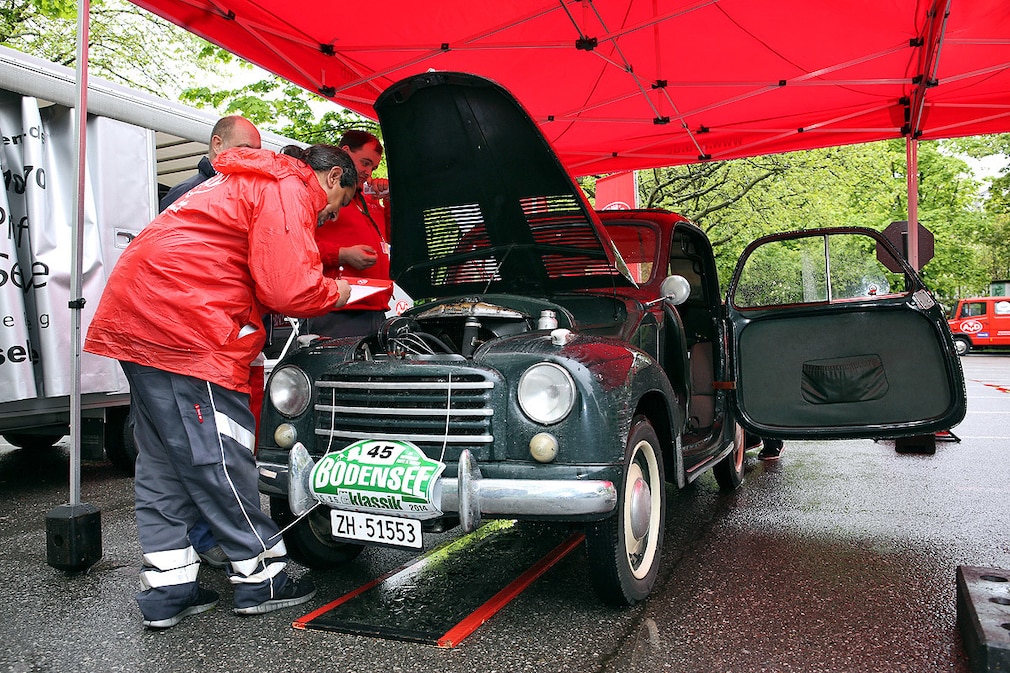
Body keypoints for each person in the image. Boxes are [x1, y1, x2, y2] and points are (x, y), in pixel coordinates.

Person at [84, 144, 357, 629]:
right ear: (332, 176)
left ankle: (169, 587)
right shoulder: (287, 187)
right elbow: (288, 289)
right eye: (334, 205)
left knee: (163, 462)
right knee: (221, 455)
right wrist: (343, 291)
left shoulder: (239, 182)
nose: (328, 215)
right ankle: (261, 575)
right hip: (190, 326)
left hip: (142, 315)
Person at [157, 115, 263, 570]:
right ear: (217, 145)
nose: (249, 161)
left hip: (212, 336)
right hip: (197, 340)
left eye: (256, 154)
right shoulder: (188, 196)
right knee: (211, 449)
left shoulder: (231, 192)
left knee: (179, 457)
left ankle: (177, 572)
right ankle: (233, 551)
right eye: (243, 150)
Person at [307, 129, 393, 338]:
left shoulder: (368, 198)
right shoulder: (322, 193)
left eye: (372, 167)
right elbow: (300, 246)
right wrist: (342, 254)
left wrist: (390, 200)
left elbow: (389, 239)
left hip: (376, 307)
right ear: (345, 152)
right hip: (338, 310)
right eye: (365, 163)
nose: (368, 173)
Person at [159, 115, 262, 212]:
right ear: (218, 145)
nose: (253, 156)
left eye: (257, 152)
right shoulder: (186, 192)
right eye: (245, 149)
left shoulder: (253, 193)